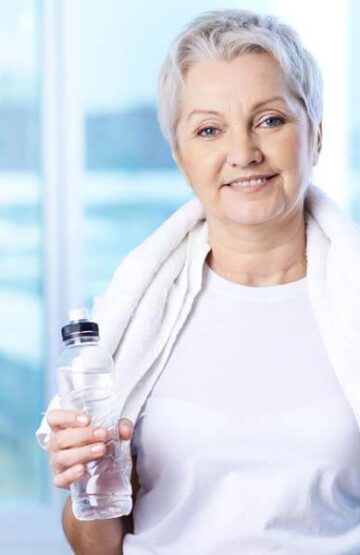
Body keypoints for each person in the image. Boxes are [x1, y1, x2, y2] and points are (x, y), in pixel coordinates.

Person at [36, 8, 360, 554]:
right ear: (181, 157)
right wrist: (89, 485)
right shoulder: (141, 320)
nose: (243, 154)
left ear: (318, 135)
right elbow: (96, 546)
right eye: (210, 130)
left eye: (270, 120)